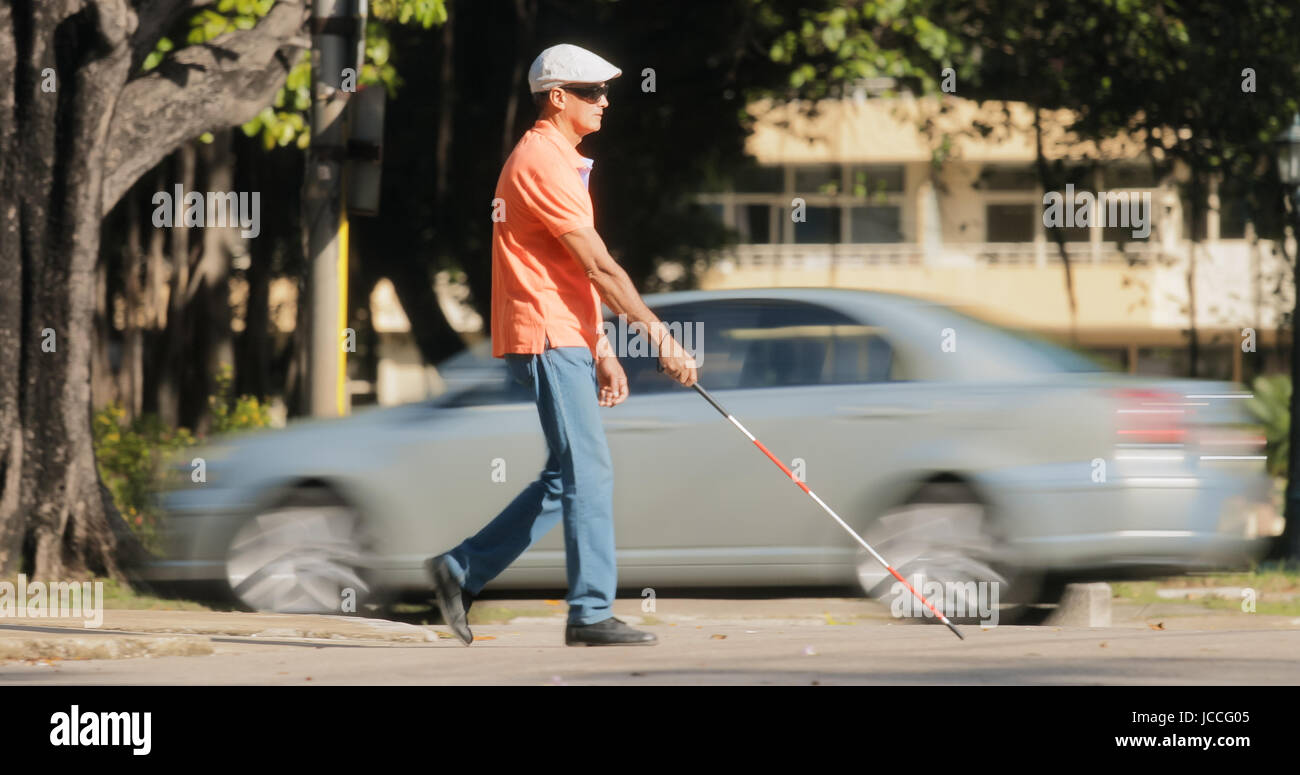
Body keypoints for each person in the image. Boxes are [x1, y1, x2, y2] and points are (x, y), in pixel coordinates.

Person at [425, 43, 698, 647]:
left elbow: (571, 272)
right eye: (593, 91)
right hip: (546, 336)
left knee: (568, 473)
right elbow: (599, 267)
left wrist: (601, 346)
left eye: (605, 91)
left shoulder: (562, 160)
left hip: (565, 334)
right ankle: (591, 613)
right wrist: (661, 338)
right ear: (557, 98)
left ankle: (459, 570)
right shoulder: (542, 163)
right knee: (591, 471)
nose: (605, 102)